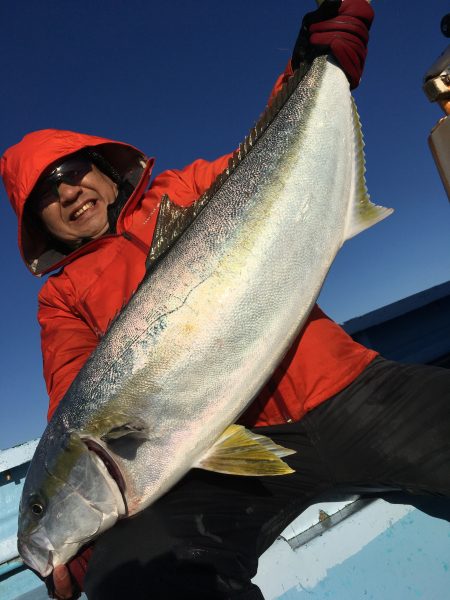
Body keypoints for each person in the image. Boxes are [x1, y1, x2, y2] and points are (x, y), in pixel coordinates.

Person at [2, 1, 450, 599]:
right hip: (208, 458)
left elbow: (272, 147)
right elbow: (74, 392)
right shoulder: (60, 298)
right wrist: (77, 534)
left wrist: (313, 64)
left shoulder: (182, 193)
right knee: (140, 579)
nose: (67, 190)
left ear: (107, 171)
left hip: (346, 389)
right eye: (44, 197)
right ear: (41, 226)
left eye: (73, 170)